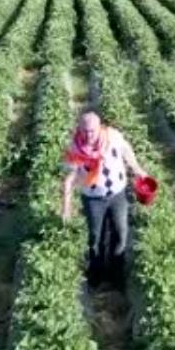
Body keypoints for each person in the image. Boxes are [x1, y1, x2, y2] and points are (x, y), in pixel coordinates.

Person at [60, 110, 149, 288]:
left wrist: (137, 169)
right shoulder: (75, 148)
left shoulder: (112, 137)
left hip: (117, 194)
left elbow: (126, 150)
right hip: (93, 198)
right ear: (79, 128)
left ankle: (116, 276)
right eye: (85, 130)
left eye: (92, 130)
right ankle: (96, 276)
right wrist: (66, 208)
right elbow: (69, 179)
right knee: (95, 238)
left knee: (120, 233)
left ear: (99, 128)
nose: (89, 134)